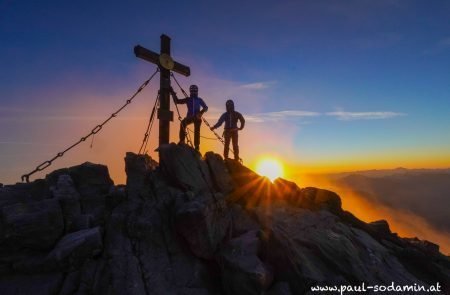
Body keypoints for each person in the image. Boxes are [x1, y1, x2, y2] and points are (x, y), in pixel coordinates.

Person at [170, 85, 208, 151]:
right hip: (191, 117)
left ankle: (195, 146)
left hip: (196, 118)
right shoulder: (189, 99)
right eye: (192, 91)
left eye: (194, 91)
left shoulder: (197, 99)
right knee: (183, 124)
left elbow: (206, 107)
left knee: (196, 129)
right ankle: (183, 142)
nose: (193, 92)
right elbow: (177, 101)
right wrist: (172, 92)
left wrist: (200, 113)